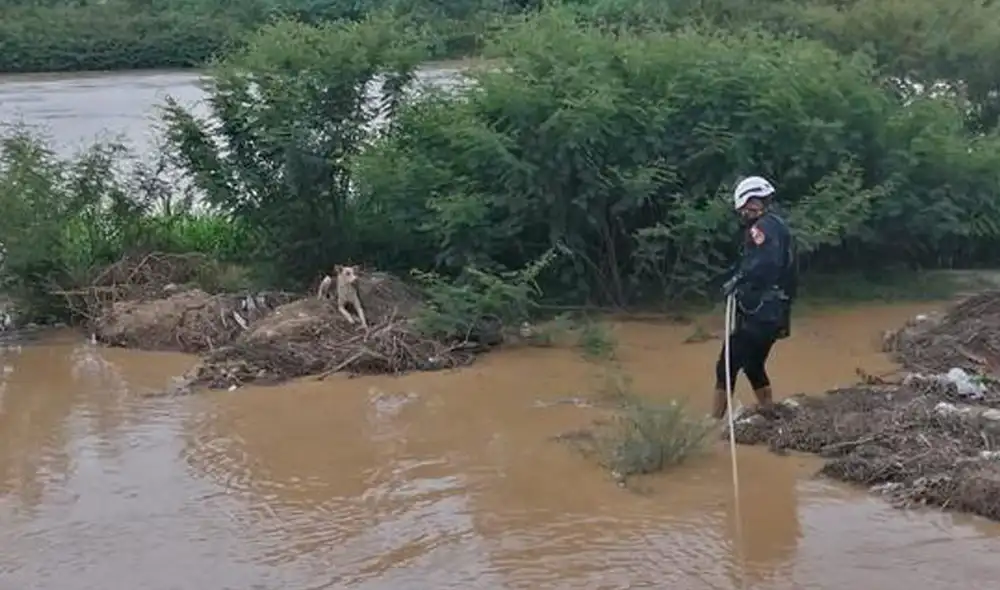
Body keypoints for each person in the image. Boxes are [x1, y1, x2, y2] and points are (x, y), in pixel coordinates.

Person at [713, 175, 797, 420]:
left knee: (725, 365)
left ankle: (710, 426)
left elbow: (765, 264)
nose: (743, 215)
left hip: (761, 312)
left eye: (744, 209)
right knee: (753, 365)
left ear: (752, 203)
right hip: (776, 314)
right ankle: (769, 414)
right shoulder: (778, 226)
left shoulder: (761, 228)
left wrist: (738, 280)